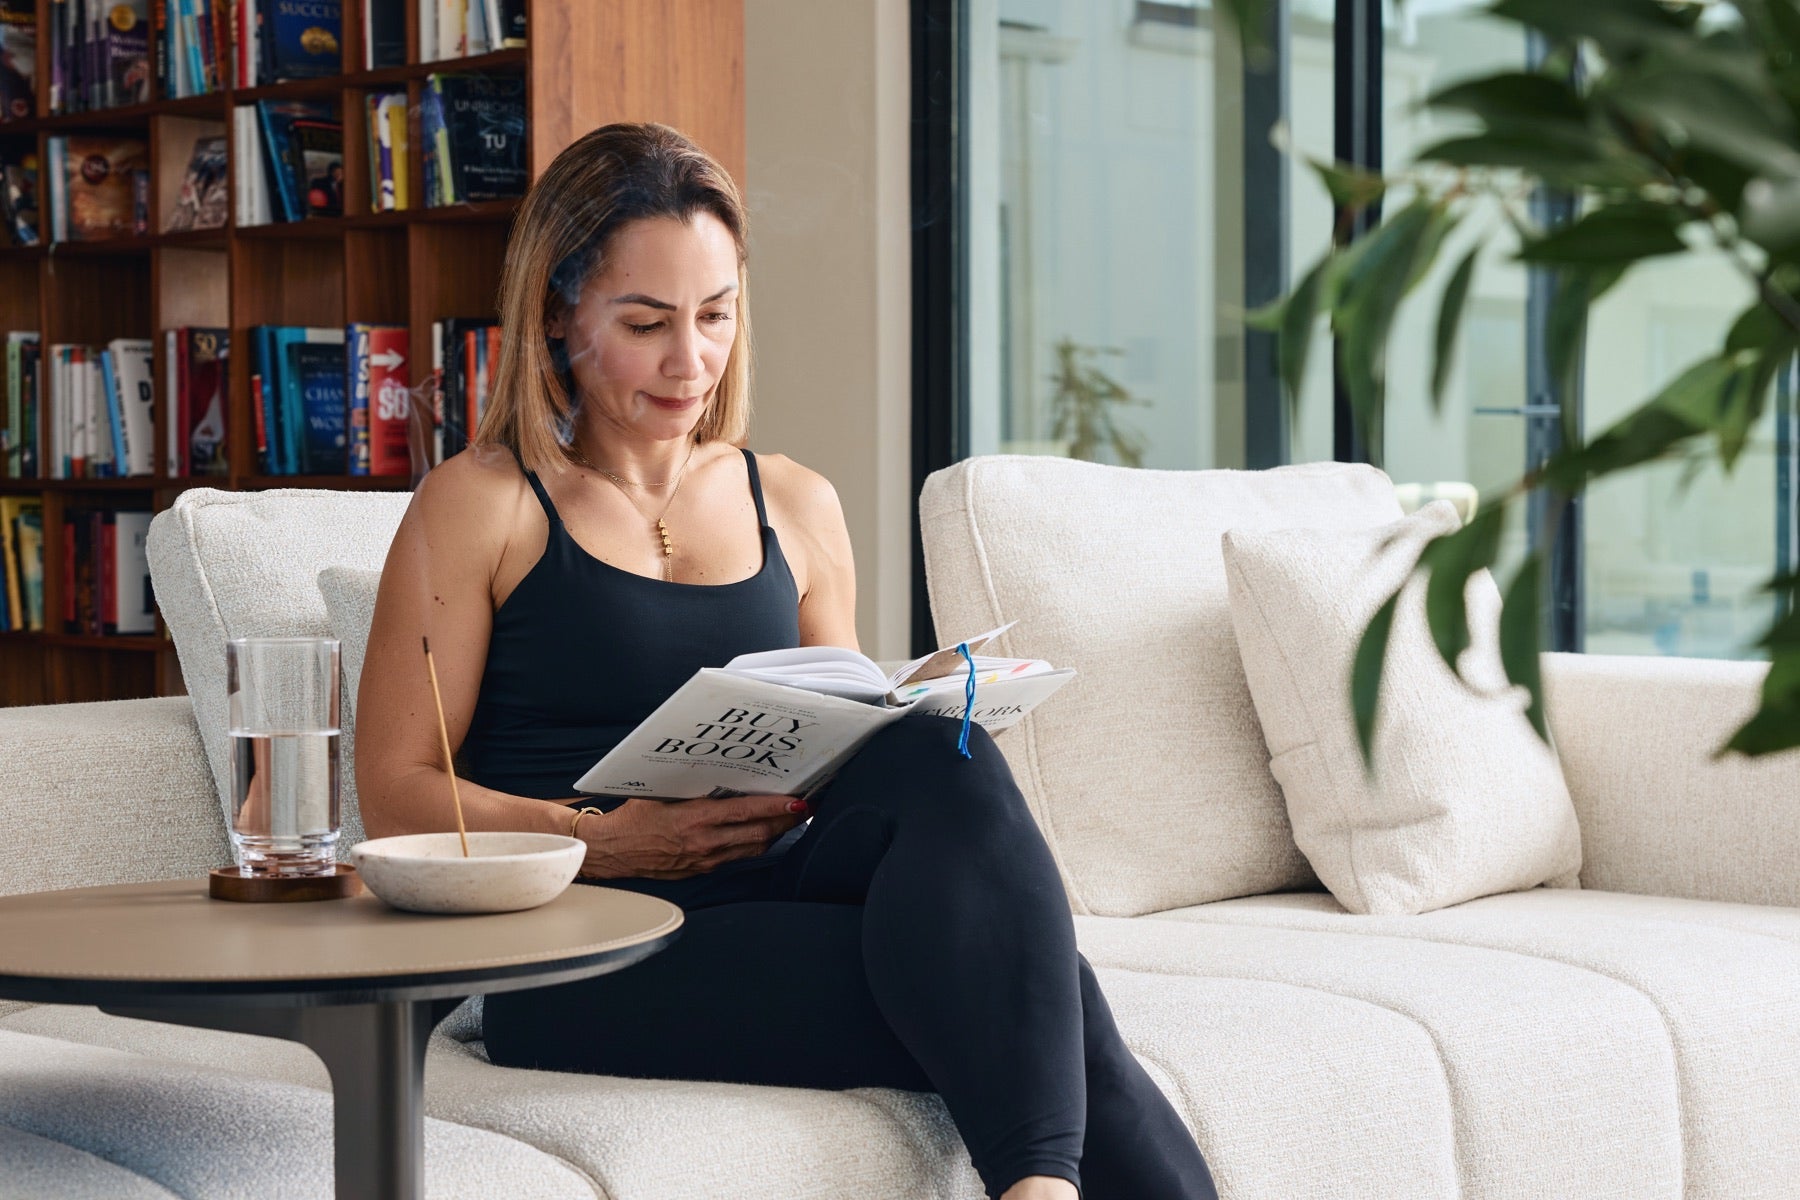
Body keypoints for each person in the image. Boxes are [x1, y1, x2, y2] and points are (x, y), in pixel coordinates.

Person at [355, 122, 1218, 1200]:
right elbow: (395, 792)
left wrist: (902, 711)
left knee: (933, 753)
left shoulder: (796, 502)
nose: (690, 361)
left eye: (715, 315)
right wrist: (602, 840)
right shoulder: (480, 503)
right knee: (1045, 999)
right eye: (646, 323)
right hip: (579, 947)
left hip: (778, 890)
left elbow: (844, 749)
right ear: (557, 313)